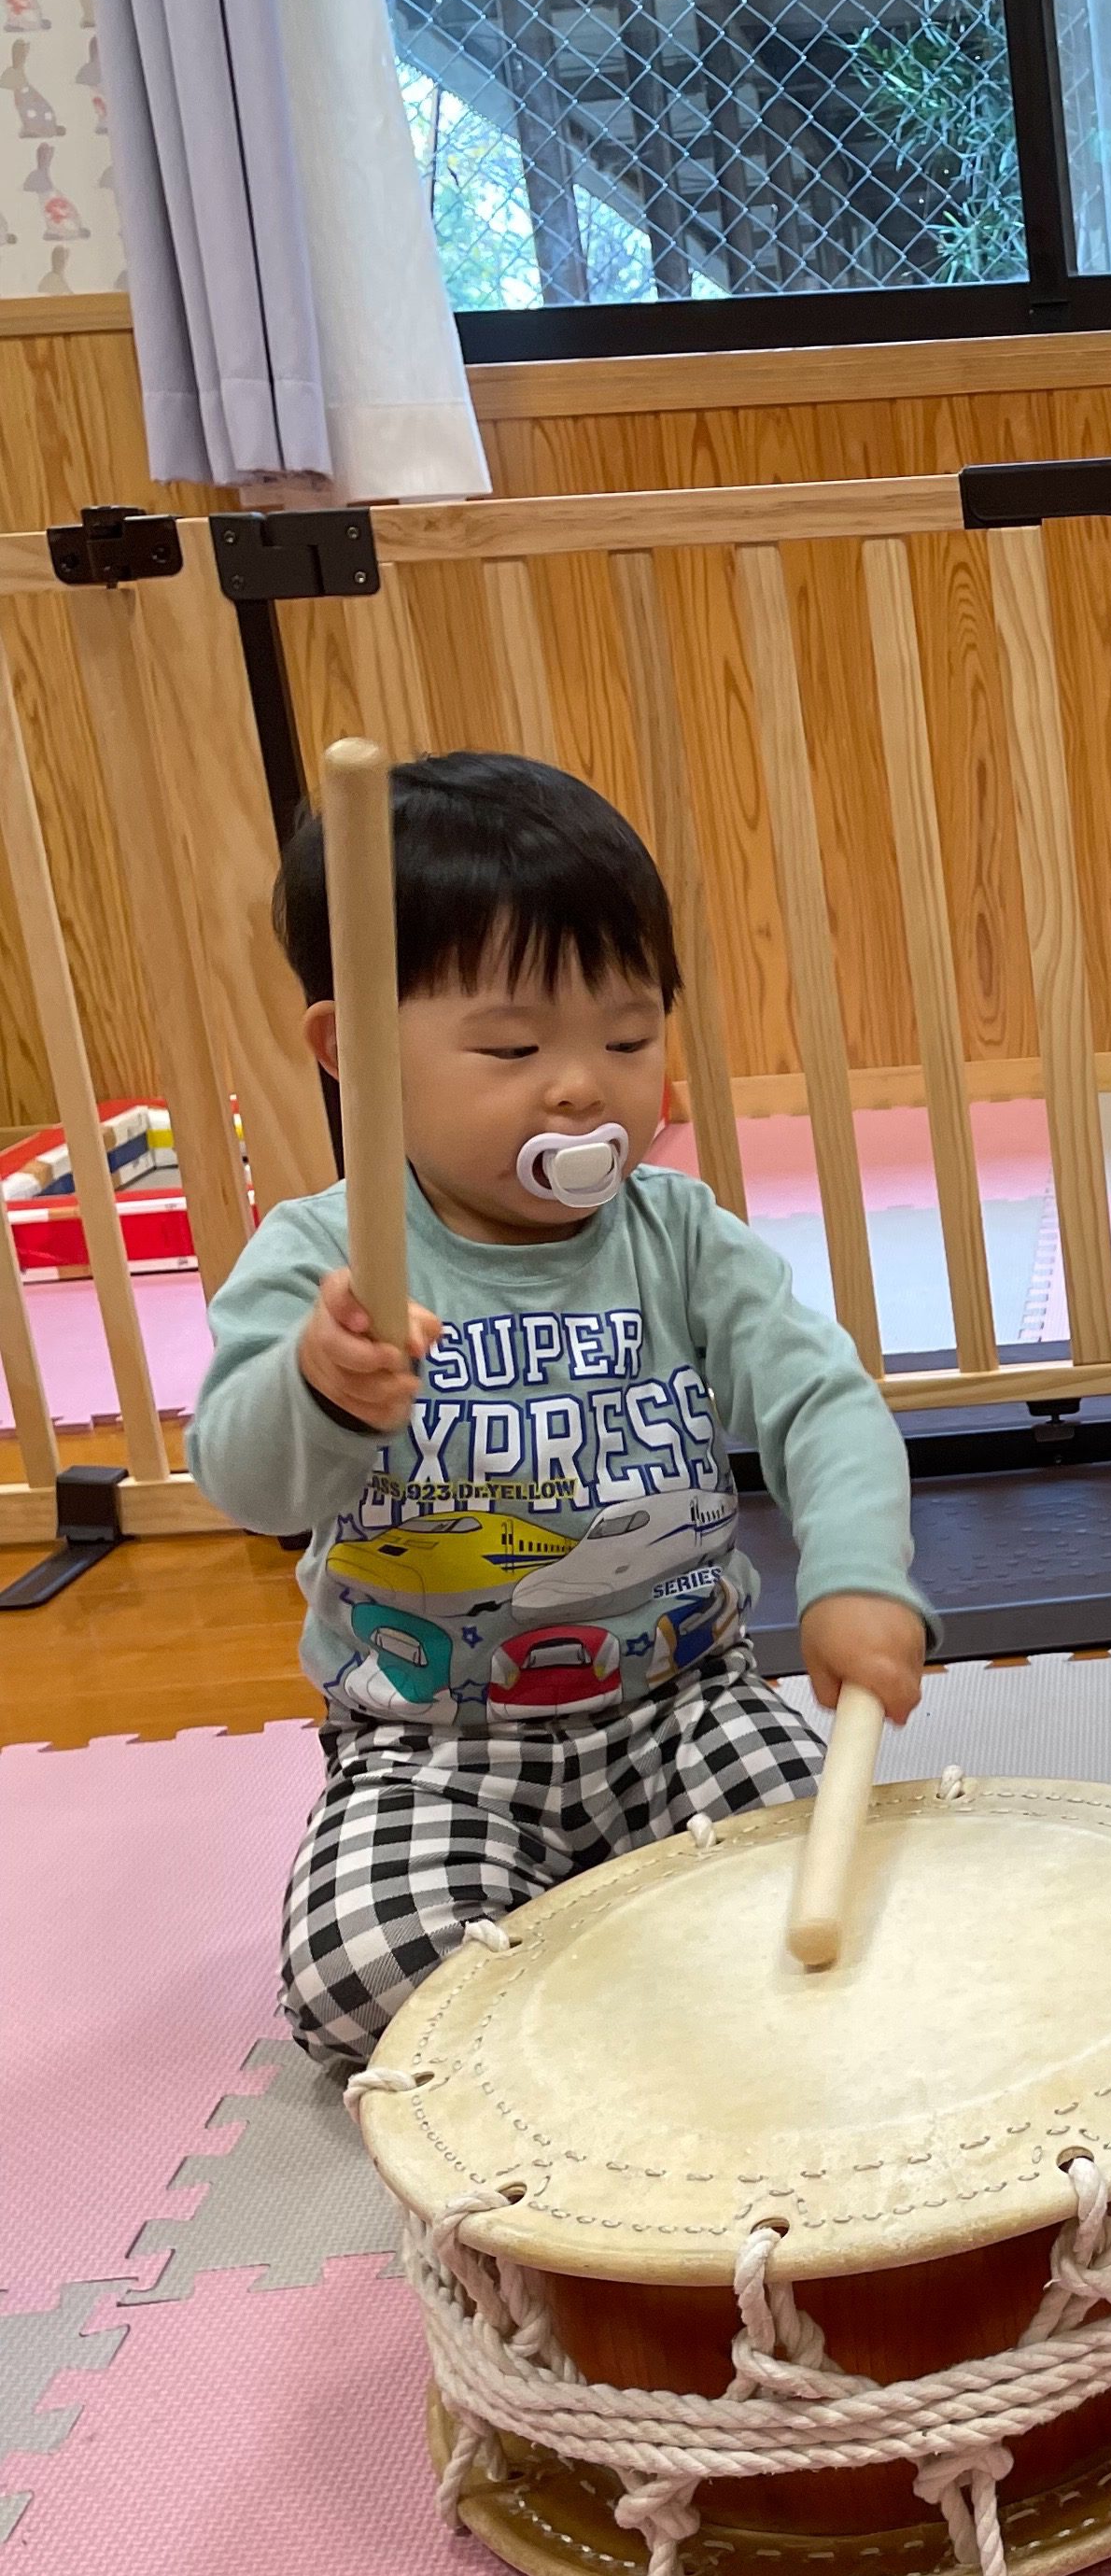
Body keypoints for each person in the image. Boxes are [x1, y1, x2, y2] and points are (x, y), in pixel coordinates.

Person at [190, 752, 932, 2069]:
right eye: (515, 1047)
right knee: (366, 1977)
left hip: (685, 1701)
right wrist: (315, 1389)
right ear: (351, 1053)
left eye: (629, 1038)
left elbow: (821, 1397)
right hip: (434, 1743)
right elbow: (246, 1486)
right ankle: (606, 1993)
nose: (585, 1087)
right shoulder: (322, 1262)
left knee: (860, 1884)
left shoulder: (680, 1237)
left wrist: (859, 1576)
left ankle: (621, 1973)